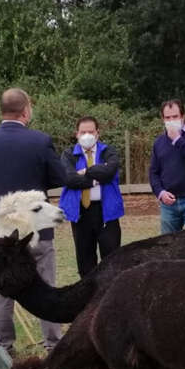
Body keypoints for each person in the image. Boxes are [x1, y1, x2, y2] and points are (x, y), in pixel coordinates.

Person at [0, 88, 67, 355]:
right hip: (36, 227)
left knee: (2, 288)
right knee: (46, 284)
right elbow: (59, 177)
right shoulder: (40, 141)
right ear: (26, 109)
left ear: (1, 111)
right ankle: (53, 343)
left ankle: (4, 345)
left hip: (2, 230)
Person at [59, 116, 124, 278]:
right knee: (85, 263)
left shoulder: (109, 151)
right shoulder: (68, 154)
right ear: (76, 134)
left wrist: (85, 172)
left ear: (97, 133)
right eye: (83, 132)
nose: (87, 135)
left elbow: (110, 172)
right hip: (81, 213)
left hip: (106, 212)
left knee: (112, 261)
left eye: (90, 131)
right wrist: (96, 179)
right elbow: (69, 179)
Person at [148, 99, 185, 234]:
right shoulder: (159, 142)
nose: (171, 120)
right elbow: (153, 172)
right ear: (162, 119)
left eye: (175, 116)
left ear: (183, 116)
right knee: (168, 246)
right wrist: (160, 193)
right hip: (168, 204)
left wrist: (177, 140)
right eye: (167, 117)